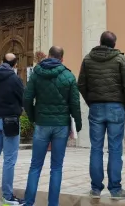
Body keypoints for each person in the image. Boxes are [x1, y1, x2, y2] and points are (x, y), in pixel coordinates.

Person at [77, 31, 125, 200]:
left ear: (100, 42)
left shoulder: (88, 59)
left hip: (96, 107)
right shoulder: (121, 59)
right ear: (114, 44)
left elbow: (81, 83)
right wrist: (124, 103)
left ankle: (95, 188)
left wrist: (91, 101)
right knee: (115, 148)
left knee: (96, 148)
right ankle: (115, 189)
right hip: (116, 106)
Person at [23, 46, 82, 206]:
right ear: (62, 59)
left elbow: (27, 98)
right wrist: (78, 123)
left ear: (48, 56)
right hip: (61, 125)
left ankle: (28, 203)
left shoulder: (36, 74)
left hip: (42, 123)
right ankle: (53, 204)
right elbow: (75, 103)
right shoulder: (68, 76)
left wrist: (33, 117)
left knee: (35, 166)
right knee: (56, 167)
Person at [0, 53, 25, 206]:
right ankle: (7, 196)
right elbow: (23, 97)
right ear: (15, 64)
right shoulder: (14, 79)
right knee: (9, 160)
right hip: (10, 121)